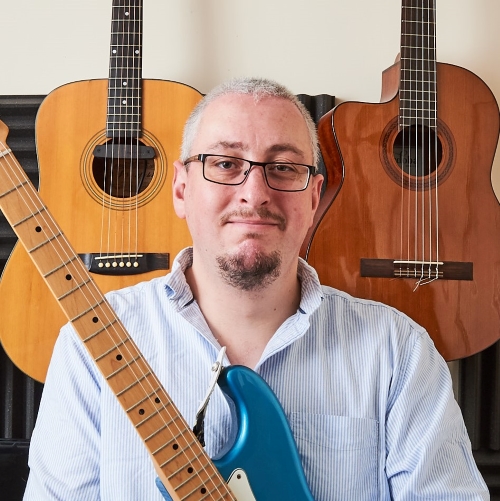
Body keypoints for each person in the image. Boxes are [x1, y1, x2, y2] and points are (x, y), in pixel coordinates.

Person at [24, 77, 488, 500]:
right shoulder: (94, 345)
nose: (254, 193)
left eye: (284, 168)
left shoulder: (398, 351)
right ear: (182, 190)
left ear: (313, 197)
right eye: (225, 164)